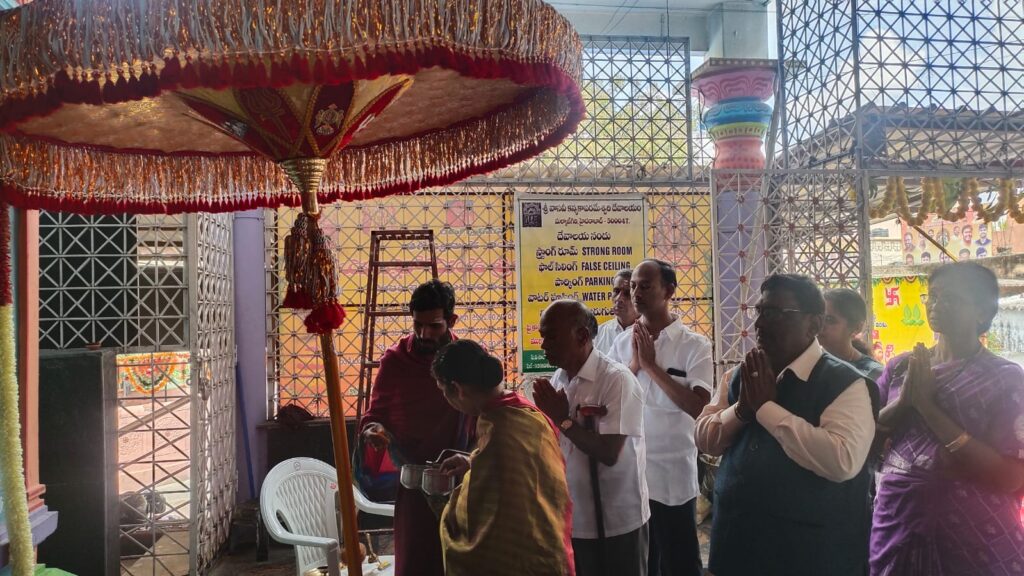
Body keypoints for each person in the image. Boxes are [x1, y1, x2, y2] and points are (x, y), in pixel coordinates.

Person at [695, 274, 879, 576]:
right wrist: (741, 411)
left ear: (813, 324)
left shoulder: (846, 383)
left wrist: (766, 409)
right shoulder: (743, 373)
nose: (760, 323)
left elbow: (842, 460)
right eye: (759, 311)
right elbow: (705, 439)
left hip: (809, 555)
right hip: (734, 546)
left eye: (775, 313)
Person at [870, 262, 1024, 575]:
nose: (936, 304)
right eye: (933, 295)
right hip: (896, 523)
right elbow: (865, 442)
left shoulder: (1005, 379)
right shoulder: (901, 367)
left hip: (974, 536)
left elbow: (1012, 477)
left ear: (982, 312)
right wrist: (904, 403)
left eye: (951, 298)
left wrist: (927, 407)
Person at [358, 279, 473, 576]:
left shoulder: (467, 360)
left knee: (460, 562)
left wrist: (475, 459)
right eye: (418, 325)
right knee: (415, 561)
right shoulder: (396, 361)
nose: (424, 334)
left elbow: (486, 413)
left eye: (434, 326)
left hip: (464, 479)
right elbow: (375, 415)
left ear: (451, 321)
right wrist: (373, 431)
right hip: (414, 481)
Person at [433, 340, 575, 576]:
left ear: (458, 389)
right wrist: (472, 462)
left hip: (520, 560)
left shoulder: (497, 425)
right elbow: (514, 469)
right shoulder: (523, 411)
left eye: (442, 391)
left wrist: (449, 512)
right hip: (549, 549)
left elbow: (482, 520)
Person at [608, 259, 711, 576]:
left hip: (672, 477)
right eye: (633, 286)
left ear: (668, 291)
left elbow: (699, 408)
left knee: (680, 563)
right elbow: (608, 401)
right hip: (631, 475)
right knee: (642, 564)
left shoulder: (694, 345)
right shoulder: (622, 343)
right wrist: (635, 365)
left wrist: (652, 367)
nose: (635, 293)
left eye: (645, 286)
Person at [533, 300, 650, 576]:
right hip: (574, 521)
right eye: (542, 336)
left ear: (582, 336)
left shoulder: (616, 380)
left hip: (616, 524)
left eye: (552, 336)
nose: (544, 345)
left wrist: (563, 420)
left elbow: (609, 453)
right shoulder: (558, 380)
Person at [820, 288, 884, 380]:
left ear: (856, 328)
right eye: (819, 317)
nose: (820, 324)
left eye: (829, 320)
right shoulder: (808, 364)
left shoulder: (873, 374)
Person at [595, 268, 637, 354]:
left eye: (627, 293)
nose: (619, 298)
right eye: (616, 291)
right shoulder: (598, 334)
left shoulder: (651, 333)